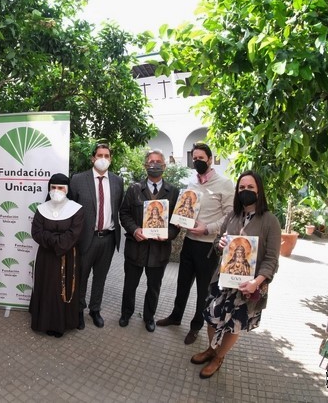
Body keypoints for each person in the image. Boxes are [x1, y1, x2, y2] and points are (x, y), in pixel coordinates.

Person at [191, 170, 280, 378]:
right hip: (223, 280)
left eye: (250, 187)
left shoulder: (270, 221)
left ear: (259, 190)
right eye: (242, 187)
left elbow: (272, 260)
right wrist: (220, 243)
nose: (245, 191)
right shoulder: (232, 215)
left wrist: (256, 282)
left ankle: (219, 357)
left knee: (234, 325)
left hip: (248, 286)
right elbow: (217, 243)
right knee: (211, 316)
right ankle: (212, 349)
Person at [157, 142, 234, 344]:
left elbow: (230, 216)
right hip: (189, 242)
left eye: (201, 158)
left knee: (203, 291)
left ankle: (196, 326)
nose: (198, 161)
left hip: (208, 247)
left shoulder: (224, 184)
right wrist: (180, 220)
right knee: (182, 284)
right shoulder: (192, 182)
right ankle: (176, 316)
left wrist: (207, 228)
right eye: (195, 158)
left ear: (210, 159)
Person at [119, 150, 180, 332]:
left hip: (159, 251)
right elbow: (124, 213)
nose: (154, 164)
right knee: (130, 285)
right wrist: (134, 229)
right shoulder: (134, 189)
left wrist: (168, 234)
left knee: (154, 287)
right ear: (145, 165)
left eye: (158, 161)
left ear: (164, 166)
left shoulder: (173, 192)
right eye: (151, 161)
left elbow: (177, 222)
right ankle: (126, 313)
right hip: (136, 248)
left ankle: (149, 317)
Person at [70, 143, 124, 329]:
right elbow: (71, 209)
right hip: (86, 238)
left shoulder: (118, 181)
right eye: (99, 155)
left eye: (106, 156)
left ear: (110, 159)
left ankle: (95, 309)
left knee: (100, 277)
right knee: (81, 276)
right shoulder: (78, 179)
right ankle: (78, 310)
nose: (103, 159)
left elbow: (118, 207)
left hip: (108, 238)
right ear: (93, 158)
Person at [29, 173, 84, 337]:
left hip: (67, 256)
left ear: (67, 189)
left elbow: (74, 234)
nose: (56, 191)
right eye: (53, 187)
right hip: (46, 258)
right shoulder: (42, 209)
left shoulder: (76, 209)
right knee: (47, 288)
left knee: (63, 289)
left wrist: (52, 240)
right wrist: (56, 240)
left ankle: (62, 324)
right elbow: (36, 232)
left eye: (60, 187)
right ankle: (44, 322)